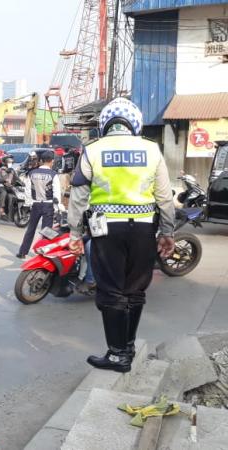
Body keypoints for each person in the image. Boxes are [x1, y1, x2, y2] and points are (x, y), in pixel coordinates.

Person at [68, 97, 175, 373]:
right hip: (143, 229)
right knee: (135, 290)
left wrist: (74, 233)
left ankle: (117, 355)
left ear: (106, 123)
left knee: (111, 291)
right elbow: (165, 197)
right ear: (135, 123)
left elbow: (79, 197)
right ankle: (127, 347)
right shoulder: (152, 150)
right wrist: (167, 232)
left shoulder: (92, 150)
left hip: (107, 231)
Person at [17, 151, 61, 258]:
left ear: (41, 161)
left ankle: (22, 252)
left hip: (36, 204)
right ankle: (44, 253)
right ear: (52, 161)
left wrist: (28, 203)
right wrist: (57, 208)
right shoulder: (53, 174)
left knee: (30, 229)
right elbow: (56, 193)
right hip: (48, 205)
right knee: (46, 231)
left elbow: (27, 190)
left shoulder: (32, 173)